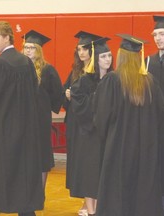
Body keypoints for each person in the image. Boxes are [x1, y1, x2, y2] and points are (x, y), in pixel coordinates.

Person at [0, 21, 44, 216]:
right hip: (25, 129)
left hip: (2, 129)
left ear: (7, 37)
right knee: (23, 173)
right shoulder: (26, 63)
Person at [94, 34, 164, 216]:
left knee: (117, 195)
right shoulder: (150, 83)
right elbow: (160, 117)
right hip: (146, 151)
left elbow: (102, 119)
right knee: (143, 194)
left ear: (121, 56)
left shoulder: (112, 81)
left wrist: (108, 140)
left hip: (119, 150)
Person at [70, 37, 113, 216]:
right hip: (89, 132)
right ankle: (91, 208)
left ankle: (102, 206)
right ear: (96, 58)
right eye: (103, 56)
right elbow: (78, 101)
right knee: (89, 172)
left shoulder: (114, 79)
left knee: (104, 170)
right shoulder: (85, 80)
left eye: (109, 56)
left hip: (108, 132)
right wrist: (97, 106)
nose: (107, 59)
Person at [63, 31, 101, 216]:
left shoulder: (97, 72)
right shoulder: (75, 71)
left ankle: (92, 203)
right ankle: (87, 202)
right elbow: (64, 92)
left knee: (91, 165)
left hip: (91, 125)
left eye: (85, 49)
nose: (82, 52)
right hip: (75, 124)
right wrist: (67, 95)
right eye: (79, 49)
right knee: (80, 164)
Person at [22, 29, 63, 193]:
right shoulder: (19, 68)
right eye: (26, 47)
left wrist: (47, 107)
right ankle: (24, 192)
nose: (28, 50)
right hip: (21, 119)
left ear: (39, 50)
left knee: (41, 156)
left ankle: (39, 192)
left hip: (40, 120)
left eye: (32, 47)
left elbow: (57, 93)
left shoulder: (48, 70)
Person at [147, 15, 164, 215]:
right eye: (155, 35)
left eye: (162, 34)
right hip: (155, 125)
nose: (158, 38)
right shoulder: (149, 62)